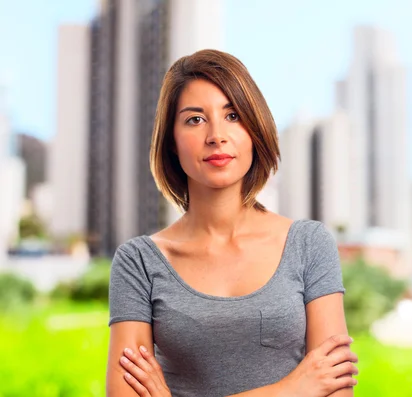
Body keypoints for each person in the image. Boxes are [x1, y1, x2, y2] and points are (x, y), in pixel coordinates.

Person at [106, 49, 358, 397]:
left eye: (234, 116)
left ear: (255, 130)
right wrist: (291, 389)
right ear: (172, 143)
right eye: (195, 119)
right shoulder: (138, 262)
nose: (216, 135)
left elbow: (336, 392)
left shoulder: (308, 244)